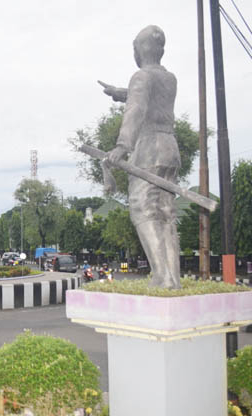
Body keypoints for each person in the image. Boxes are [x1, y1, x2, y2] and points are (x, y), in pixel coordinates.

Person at [99, 25, 181, 289]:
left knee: (143, 209)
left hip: (149, 148)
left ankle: (161, 277)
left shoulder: (141, 76)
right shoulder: (170, 78)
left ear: (138, 50)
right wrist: (120, 93)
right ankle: (173, 279)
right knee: (166, 212)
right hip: (170, 146)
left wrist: (122, 146)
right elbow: (145, 96)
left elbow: (137, 109)